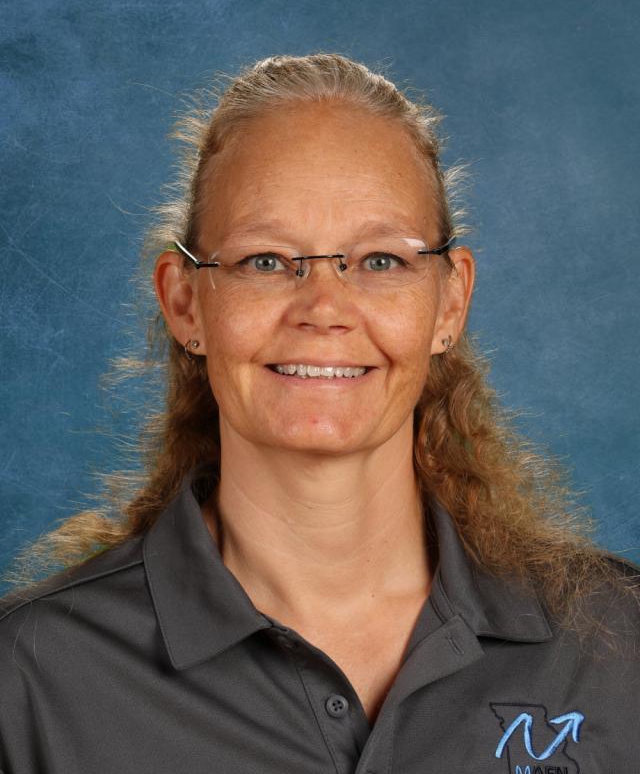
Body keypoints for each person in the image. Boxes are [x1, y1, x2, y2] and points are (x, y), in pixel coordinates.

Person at [0, 52, 638, 773]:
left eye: (380, 261)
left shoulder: (620, 646)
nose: (325, 309)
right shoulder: (29, 680)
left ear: (450, 302)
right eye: (267, 261)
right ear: (184, 302)